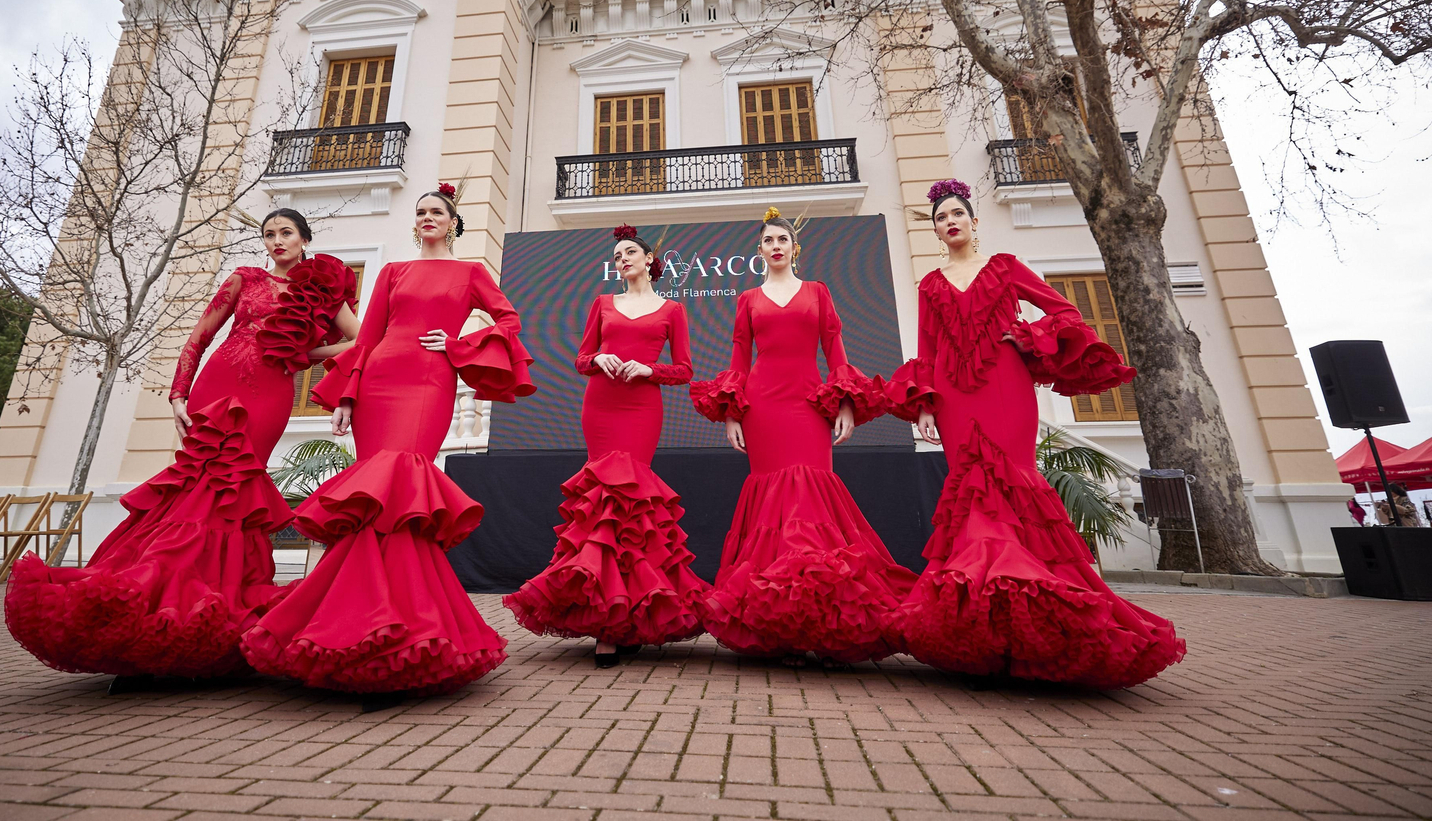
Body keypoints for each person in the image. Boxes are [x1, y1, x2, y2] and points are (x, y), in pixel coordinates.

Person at [5, 209, 359, 685]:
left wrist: (300, 354)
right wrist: (177, 394)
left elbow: (359, 340)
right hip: (220, 384)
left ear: (304, 239)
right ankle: (157, 610)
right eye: (269, 234)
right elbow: (200, 336)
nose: (276, 241)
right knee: (196, 489)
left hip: (271, 395)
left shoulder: (320, 289)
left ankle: (210, 616)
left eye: (286, 233)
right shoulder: (245, 279)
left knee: (235, 496)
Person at [240, 184, 534, 706]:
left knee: (402, 491)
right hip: (377, 381)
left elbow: (510, 321)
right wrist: (346, 397)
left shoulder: (469, 273)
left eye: (436, 212)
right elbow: (367, 337)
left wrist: (460, 344)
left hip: (428, 382)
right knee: (372, 501)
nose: (426, 218)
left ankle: (400, 638)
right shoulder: (394, 271)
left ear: (453, 222)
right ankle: (353, 633)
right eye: (420, 212)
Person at [888, 179, 1186, 689]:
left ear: (974, 221)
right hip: (955, 398)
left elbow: (1064, 312)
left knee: (1012, 481)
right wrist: (926, 408)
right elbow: (927, 351)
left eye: (958, 213)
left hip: (1007, 387)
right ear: (936, 230)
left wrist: (1025, 336)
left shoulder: (1006, 266)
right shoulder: (930, 285)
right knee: (970, 490)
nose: (950, 222)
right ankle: (984, 621)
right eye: (941, 218)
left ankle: (1039, 612)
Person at [689, 209, 913, 667]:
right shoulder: (748, 297)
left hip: (809, 403)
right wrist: (732, 413)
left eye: (782, 240)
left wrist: (847, 402)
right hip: (762, 405)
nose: (775, 246)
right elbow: (738, 353)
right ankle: (782, 626)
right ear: (760, 251)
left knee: (811, 497)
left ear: (795, 248)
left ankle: (825, 622)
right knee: (772, 502)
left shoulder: (818, 292)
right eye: (768, 240)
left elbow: (835, 346)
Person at [505, 225, 709, 667]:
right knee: (600, 502)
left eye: (629, 252)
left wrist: (648, 369)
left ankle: (630, 614)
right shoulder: (601, 304)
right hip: (600, 405)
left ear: (650, 259)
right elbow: (580, 360)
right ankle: (605, 621)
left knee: (632, 506)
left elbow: (686, 369)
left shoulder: (672, 309)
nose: (622, 260)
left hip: (642, 408)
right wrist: (597, 358)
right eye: (617, 256)